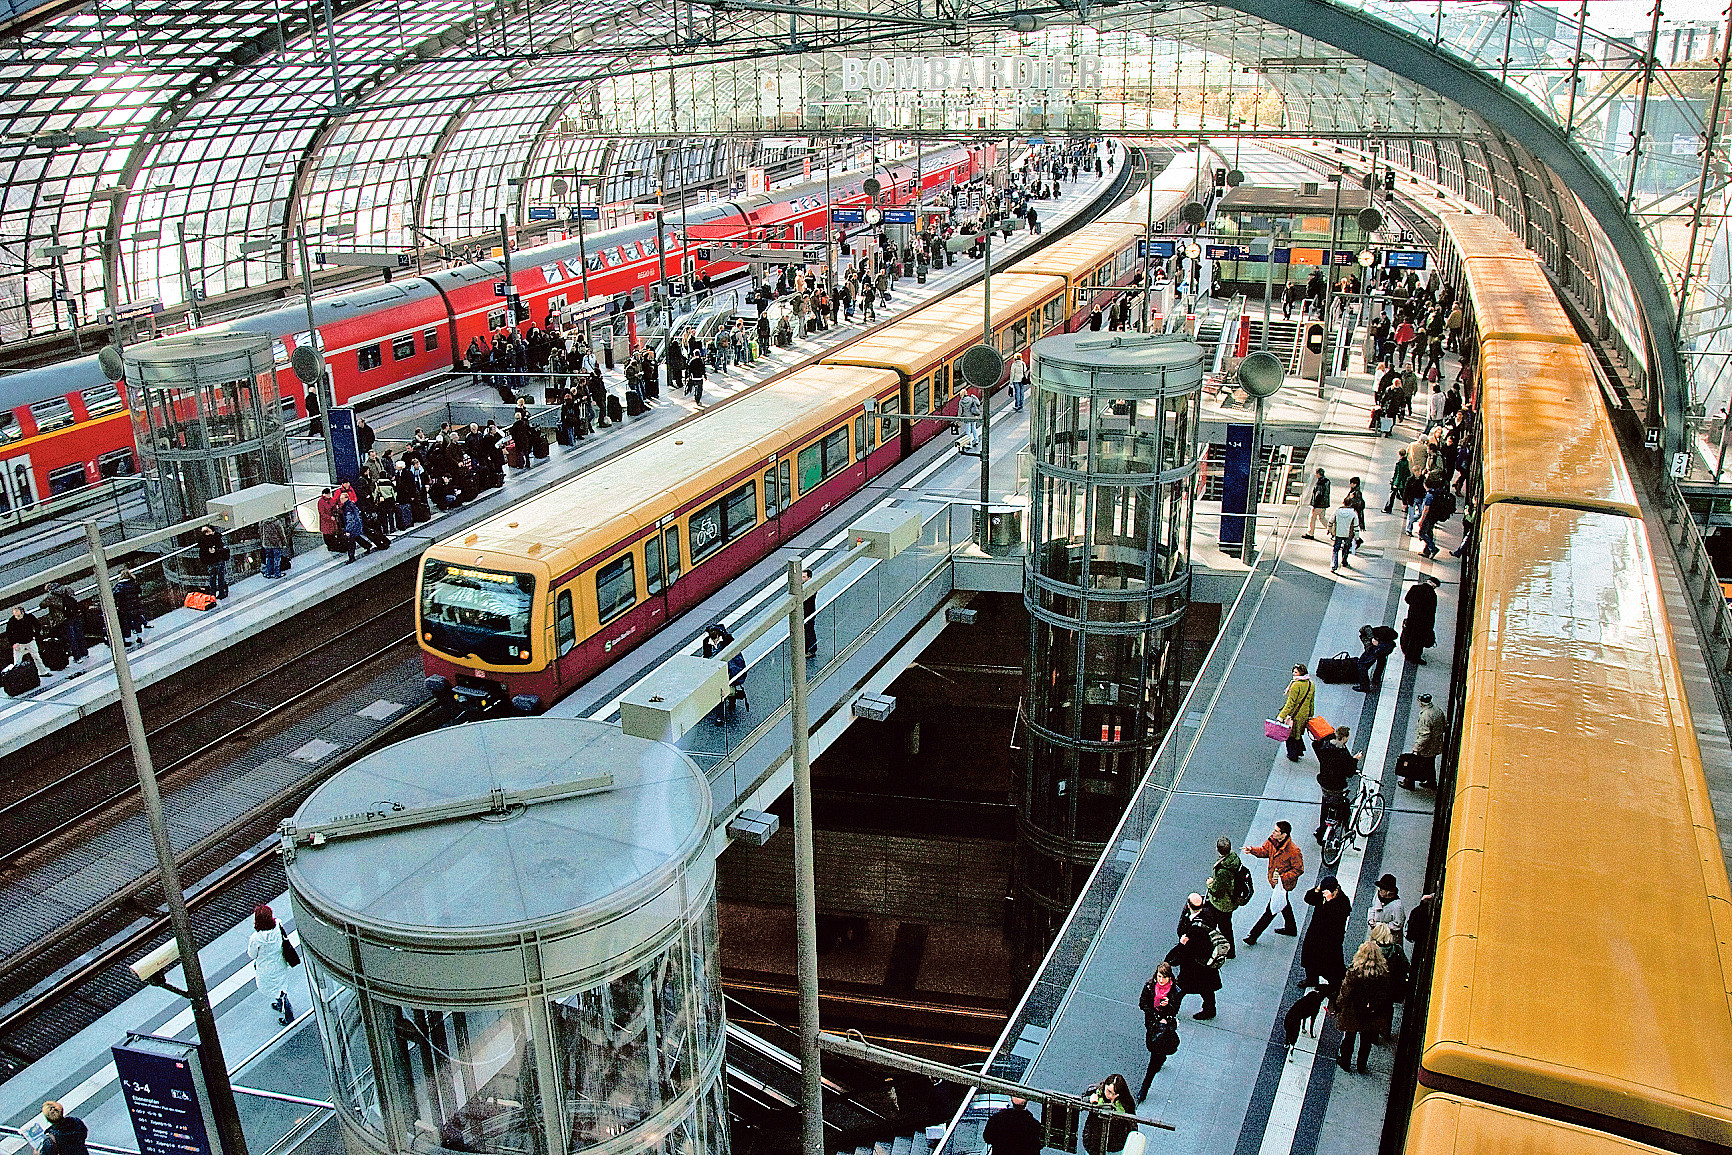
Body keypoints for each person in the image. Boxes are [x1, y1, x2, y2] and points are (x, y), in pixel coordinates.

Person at [1333, 940, 1392, 1074]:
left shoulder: (1354, 971)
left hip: (1353, 1010)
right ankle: (1361, 1066)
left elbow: (1345, 991)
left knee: (1349, 1037)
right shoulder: (1383, 973)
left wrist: (1338, 1004)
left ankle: (1345, 1061)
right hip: (1371, 1012)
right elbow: (1384, 994)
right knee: (1366, 1041)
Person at [1242, 820, 1304, 943]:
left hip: (1283, 885)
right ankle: (1291, 928)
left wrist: (1282, 877)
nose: (1273, 832)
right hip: (1275, 881)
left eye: (1276, 831)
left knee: (1272, 908)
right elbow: (1265, 851)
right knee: (1284, 904)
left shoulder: (1294, 851)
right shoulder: (1272, 840)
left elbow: (1299, 869)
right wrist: (1252, 850)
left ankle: (1253, 936)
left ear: (1284, 834)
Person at [1171, 892, 1225, 1020]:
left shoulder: (1195, 929)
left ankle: (1170, 1012)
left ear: (1189, 905)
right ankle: (1210, 1009)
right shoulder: (1208, 914)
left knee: (1181, 988)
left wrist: (1184, 943)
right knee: (1206, 988)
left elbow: (1192, 947)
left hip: (1195, 964)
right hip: (1205, 964)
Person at [247, 904, 297, 1026]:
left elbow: (252, 954)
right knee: (280, 986)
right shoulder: (278, 925)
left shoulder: (256, 938)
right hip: (280, 962)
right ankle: (281, 1004)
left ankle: (287, 1013)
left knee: (276, 989)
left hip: (265, 968)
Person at [1136, 962, 1181, 1097]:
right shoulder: (1150, 987)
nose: (1161, 980)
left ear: (1169, 978)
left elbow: (1174, 1010)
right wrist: (1154, 1014)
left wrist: (1167, 1007)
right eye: (1159, 976)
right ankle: (1161, 1059)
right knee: (1156, 1046)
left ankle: (1144, 1089)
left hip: (1165, 1026)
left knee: (1153, 1059)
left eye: (1164, 977)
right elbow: (1142, 1003)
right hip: (1152, 1023)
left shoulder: (1175, 991)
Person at [1300, 876, 1352, 990]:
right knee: (1309, 957)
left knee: (1330, 964)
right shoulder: (1322, 895)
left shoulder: (1342, 902)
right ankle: (1311, 979)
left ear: (1335, 891)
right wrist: (1317, 889)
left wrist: (1329, 903)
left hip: (1330, 939)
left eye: (1326, 893)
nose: (1324, 895)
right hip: (1315, 933)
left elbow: (1339, 918)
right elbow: (1308, 898)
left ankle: (1336, 986)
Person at [1313, 725, 1359, 839]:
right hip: (1336, 785)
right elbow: (1349, 772)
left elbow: (1315, 744)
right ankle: (1322, 831)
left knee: (1326, 803)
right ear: (1344, 738)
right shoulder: (1342, 754)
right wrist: (1355, 760)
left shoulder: (1325, 746)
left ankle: (1324, 824)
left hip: (1324, 782)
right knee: (1342, 807)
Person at [1204, 835, 1246, 953]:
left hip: (1222, 904)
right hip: (1231, 900)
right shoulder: (1234, 858)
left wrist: (1210, 884)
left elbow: (1218, 891)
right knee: (1226, 926)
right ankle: (1229, 949)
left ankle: (1229, 950)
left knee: (1223, 927)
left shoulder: (1223, 870)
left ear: (1218, 850)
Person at [1399, 691, 1446, 790]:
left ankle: (1408, 783)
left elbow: (1425, 735)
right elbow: (1444, 724)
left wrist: (1417, 747)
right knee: (1430, 764)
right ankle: (1431, 782)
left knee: (1413, 764)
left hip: (1426, 747)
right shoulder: (1437, 710)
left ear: (1422, 703)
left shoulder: (1425, 716)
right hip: (1435, 744)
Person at [1081, 1074, 1135, 1155]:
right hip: (1093, 1142)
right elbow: (1080, 1102)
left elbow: (1132, 1122)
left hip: (1115, 1145)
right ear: (1105, 1085)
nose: (1110, 1096)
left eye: (1115, 1094)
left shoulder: (1125, 1102)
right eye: (1109, 1091)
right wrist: (1089, 1099)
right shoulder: (1095, 1091)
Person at [1275, 664, 1316, 763]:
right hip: (1304, 714)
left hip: (1294, 715)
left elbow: (1290, 703)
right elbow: (1311, 701)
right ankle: (1299, 751)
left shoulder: (1295, 685)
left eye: (1296, 672)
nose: (1293, 673)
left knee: (1290, 735)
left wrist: (1281, 716)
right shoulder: (1311, 684)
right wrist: (1311, 714)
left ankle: (1292, 754)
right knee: (1298, 734)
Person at [1400, 574, 1440, 664]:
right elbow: (1431, 612)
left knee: (1409, 636)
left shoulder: (1415, 588)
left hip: (1411, 618)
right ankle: (1415, 658)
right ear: (1434, 585)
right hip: (1423, 623)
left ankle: (1407, 653)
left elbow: (1407, 599)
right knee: (1418, 642)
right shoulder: (1432, 595)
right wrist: (1430, 627)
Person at [113, 567, 146, 646]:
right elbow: (139, 591)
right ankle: (139, 637)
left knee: (126, 624)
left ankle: (127, 640)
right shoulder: (134, 583)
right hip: (135, 606)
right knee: (137, 621)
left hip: (125, 608)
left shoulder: (119, 586)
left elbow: (115, 594)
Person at [197, 525, 230, 600]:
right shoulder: (205, 540)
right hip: (213, 561)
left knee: (218, 577)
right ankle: (216, 593)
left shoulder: (216, 538)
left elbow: (223, 549)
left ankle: (218, 593)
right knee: (214, 578)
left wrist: (216, 551)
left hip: (216, 560)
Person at [1368, 873, 1405, 939]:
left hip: (1389, 938)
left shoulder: (1397, 906)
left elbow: (1398, 924)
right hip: (1375, 934)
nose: (1380, 890)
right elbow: (1372, 908)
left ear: (1388, 891)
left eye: (1382, 888)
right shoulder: (1377, 896)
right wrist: (1371, 919)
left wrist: (1380, 926)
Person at [1329, 494, 1358, 573]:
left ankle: (1334, 565)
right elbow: (1356, 526)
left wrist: (1329, 529)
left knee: (1336, 548)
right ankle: (1344, 561)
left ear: (1343, 502)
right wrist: (1357, 536)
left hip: (1339, 532)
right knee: (1346, 548)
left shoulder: (1338, 511)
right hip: (1348, 534)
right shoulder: (1353, 513)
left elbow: (1331, 520)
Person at [1303, 468, 1331, 539]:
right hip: (1324, 504)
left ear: (1318, 474)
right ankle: (1333, 531)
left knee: (1312, 517)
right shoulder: (1327, 481)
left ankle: (1310, 533)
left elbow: (1319, 494)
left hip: (1319, 504)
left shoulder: (1320, 482)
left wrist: (1315, 504)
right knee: (1322, 518)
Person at [261, 515, 290, 579]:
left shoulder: (263, 522)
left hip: (267, 544)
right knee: (277, 558)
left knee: (269, 558)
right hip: (276, 543)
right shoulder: (276, 522)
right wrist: (284, 543)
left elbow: (260, 533)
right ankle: (277, 573)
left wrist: (263, 541)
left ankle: (268, 573)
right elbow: (281, 533)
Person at [802, 569, 817, 658]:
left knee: (809, 631)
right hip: (804, 613)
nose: (802, 579)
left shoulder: (811, 587)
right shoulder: (804, 586)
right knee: (806, 631)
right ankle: (806, 648)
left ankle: (811, 650)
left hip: (808, 613)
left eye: (804, 577)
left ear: (809, 577)